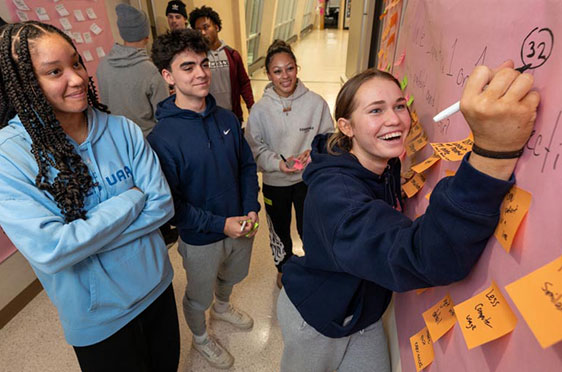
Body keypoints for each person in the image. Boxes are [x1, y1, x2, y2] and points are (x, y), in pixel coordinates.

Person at [277, 64, 540, 371]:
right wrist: (492, 156)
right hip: (318, 317)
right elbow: (422, 257)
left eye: (399, 105)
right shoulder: (338, 198)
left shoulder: (383, 163)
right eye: (376, 110)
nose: (395, 119)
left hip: (365, 313)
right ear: (346, 127)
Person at [0, 21, 180, 371]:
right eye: (54, 71)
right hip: (99, 321)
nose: (77, 78)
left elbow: (161, 206)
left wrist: (81, 242)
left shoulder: (122, 129)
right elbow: (52, 250)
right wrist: (130, 200)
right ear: (23, 83)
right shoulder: (11, 157)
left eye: (76, 63)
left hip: (156, 288)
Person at [148, 29, 260, 370]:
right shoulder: (162, 139)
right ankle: (200, 337)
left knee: (232, 276)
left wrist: (251, 207)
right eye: (187, 67)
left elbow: (245, 165)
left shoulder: (226, 117)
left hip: (241, 223)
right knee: (198, 296)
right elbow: (173, 206)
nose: (200, 73)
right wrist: (218, 224)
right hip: (200, 238)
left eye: (203, 63)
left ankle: (223, 307)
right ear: (168, 76)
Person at [245, 40, 333, 288]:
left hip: (307, 179)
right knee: (279, 228)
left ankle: (315, 263)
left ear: (297, 68)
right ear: (268, 74)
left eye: (290, 68)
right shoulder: (260, 111)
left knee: (311, 226)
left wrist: (313, 152)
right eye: (277, 71)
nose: (285, 76)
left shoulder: (316, 104)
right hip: (276, 182)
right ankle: (283, 266)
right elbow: (255, 148)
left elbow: (328, 137)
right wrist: (277, 164)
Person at [97, 4, 169, 137]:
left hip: (116, 140)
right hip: (147, 142)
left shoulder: (102, 66)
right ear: (146, 36)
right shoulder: (151, 71)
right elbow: (164, 118)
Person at [189, 6, 254, 124]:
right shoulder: (196, 58)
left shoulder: (232, 55)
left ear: (217, 27)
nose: (202, 33)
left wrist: (251, 106)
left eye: (206, 27)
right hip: (208, 117)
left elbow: (244, 82)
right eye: (198, 30)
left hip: (232, 115)